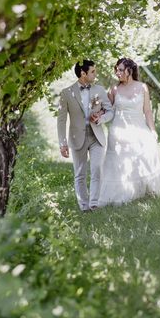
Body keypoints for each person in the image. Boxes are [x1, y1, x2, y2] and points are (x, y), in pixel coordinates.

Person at [98, 58, 160, 207]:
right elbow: (106, 109)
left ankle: (144, 191)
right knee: (119, 162)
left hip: (139, 128)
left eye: (121, 70)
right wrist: (96, 112)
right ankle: (121, 194)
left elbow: (147, 111)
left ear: (130, 71)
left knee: (144, 157)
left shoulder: (142, 87)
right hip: (119, 130)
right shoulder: (114, 89)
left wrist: (153, 130)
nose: (117, 72)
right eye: (117, 69)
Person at [57, 60, 114, 211]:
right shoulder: (66, 93)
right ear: (83, 73)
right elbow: (61, 121)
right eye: (93, 71)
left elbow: (110, 111)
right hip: (77, 138)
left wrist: (100, 119)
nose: (96, 74)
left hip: (96, 136)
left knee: (96, 169)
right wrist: (62, 143)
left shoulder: (100, 90)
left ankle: (94, 204)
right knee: (80, 173)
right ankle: (84, 206)